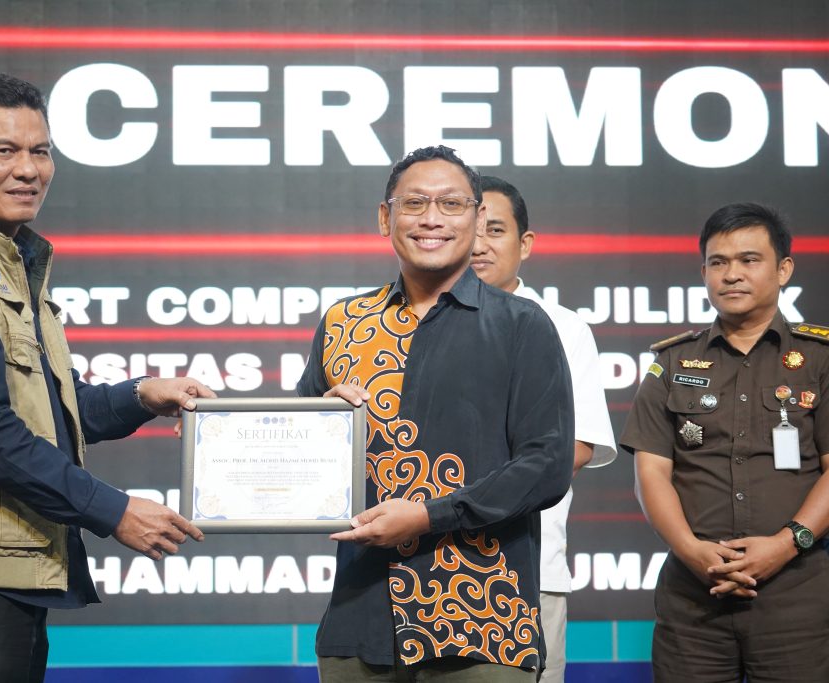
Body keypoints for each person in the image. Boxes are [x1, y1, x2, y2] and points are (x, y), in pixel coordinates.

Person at [0, 73, 213, 683]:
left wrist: (141, 396)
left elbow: (49, 410)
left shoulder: (5, 261)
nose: (28, 170)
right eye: (4, 151)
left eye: (41, 151)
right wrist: (112, 510)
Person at [296, 146, 574, 681]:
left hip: (483, 621)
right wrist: (319, 430)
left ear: (476, 218)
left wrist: (428, 515)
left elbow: (547, 465)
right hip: (361, 619)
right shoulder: (343, 323)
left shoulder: (522, 325)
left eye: (450, 204)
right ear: (386, 218)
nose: (431, 219)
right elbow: (299, 466)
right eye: (414, 203)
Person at [621, 203, 829, 683]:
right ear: (704, 273)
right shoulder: (672, 362)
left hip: (797, 593)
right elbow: (651, 474)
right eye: (718, 262)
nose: (731, 274)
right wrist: (692, 552)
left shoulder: (819, 359)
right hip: (693, 599)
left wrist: (785, 544)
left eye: (749, 260)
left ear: (783, 270)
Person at [472, 175, 617, 683]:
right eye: (468, 229)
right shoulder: (406, 321)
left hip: (527, 566)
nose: (478, 244)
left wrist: (460, 501)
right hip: (419, 561)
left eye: (494, 230)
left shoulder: (562, 326)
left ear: (525, 243)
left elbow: (574, 448)